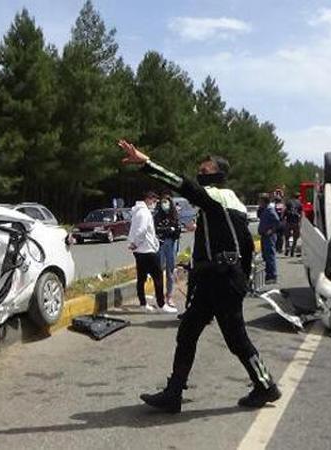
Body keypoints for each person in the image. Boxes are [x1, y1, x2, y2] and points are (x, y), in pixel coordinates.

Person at [118, 140, 280, 413]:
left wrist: (146, 163)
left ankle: (265, 385)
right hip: (215, 279)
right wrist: (242, 276)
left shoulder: (218, 197)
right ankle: (174, 393)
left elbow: (184, 186)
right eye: (200, 169)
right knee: (188, 331)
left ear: (218, 174)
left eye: (206, 169)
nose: (200, 173)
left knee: (236, 339)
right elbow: (246, 246)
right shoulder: (231, 203)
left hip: (223, 279)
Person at [128, 192, 176, 313]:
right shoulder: (144, 213)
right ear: (148, 199)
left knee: (141, 277)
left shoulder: (136, 211)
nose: (155, 204)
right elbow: (142, 230)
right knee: (158, 277)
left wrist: (134, 244)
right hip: (147, 250)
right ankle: (161, 304)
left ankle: (143, 303)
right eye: (154, 201)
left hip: (140, 250)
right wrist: (136, 243)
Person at [154, 192, 181, 308]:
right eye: (163, 202)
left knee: (170, 271)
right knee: (159, 271)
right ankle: (159, 297)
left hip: (171, 244)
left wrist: (173, 230)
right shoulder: (157, 215)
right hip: (160, 244)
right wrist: (165, 230)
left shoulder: (174, 215)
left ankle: (169, 296)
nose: (165, 204)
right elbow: (155, 229)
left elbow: (178, 230)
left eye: (167, 202)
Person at [258, 194, 281, 284]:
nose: (259, 202)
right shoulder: (264, 210)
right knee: (265, 255)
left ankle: (272, 276)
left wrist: (271, 231)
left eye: (260, 201)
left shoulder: (270, 210)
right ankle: (268, 275)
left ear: (264, 201)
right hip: (264, 236)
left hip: (269, 236)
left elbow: (277, 222)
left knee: (270, 255)